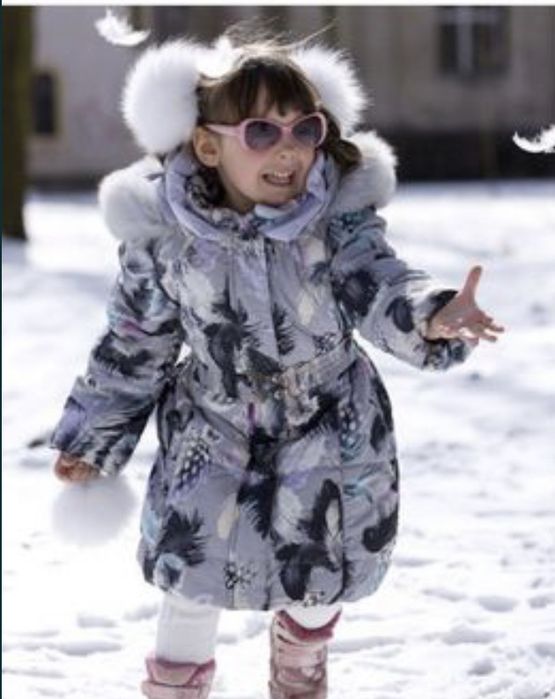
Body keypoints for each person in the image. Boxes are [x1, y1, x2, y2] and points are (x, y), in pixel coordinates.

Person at [51, 28, 504, 699]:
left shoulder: (336, 224)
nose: (288, 149)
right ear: (208, 146)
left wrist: (430, 314)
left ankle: (299, 658)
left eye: (304, 130)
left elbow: (381, 284)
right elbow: (133, 344)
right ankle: (175, 686)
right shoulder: (166, 240)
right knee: (190, 577)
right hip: (211, 429)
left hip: (328, 425)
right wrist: (94, 440)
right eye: (261, 132)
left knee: (322, 573)